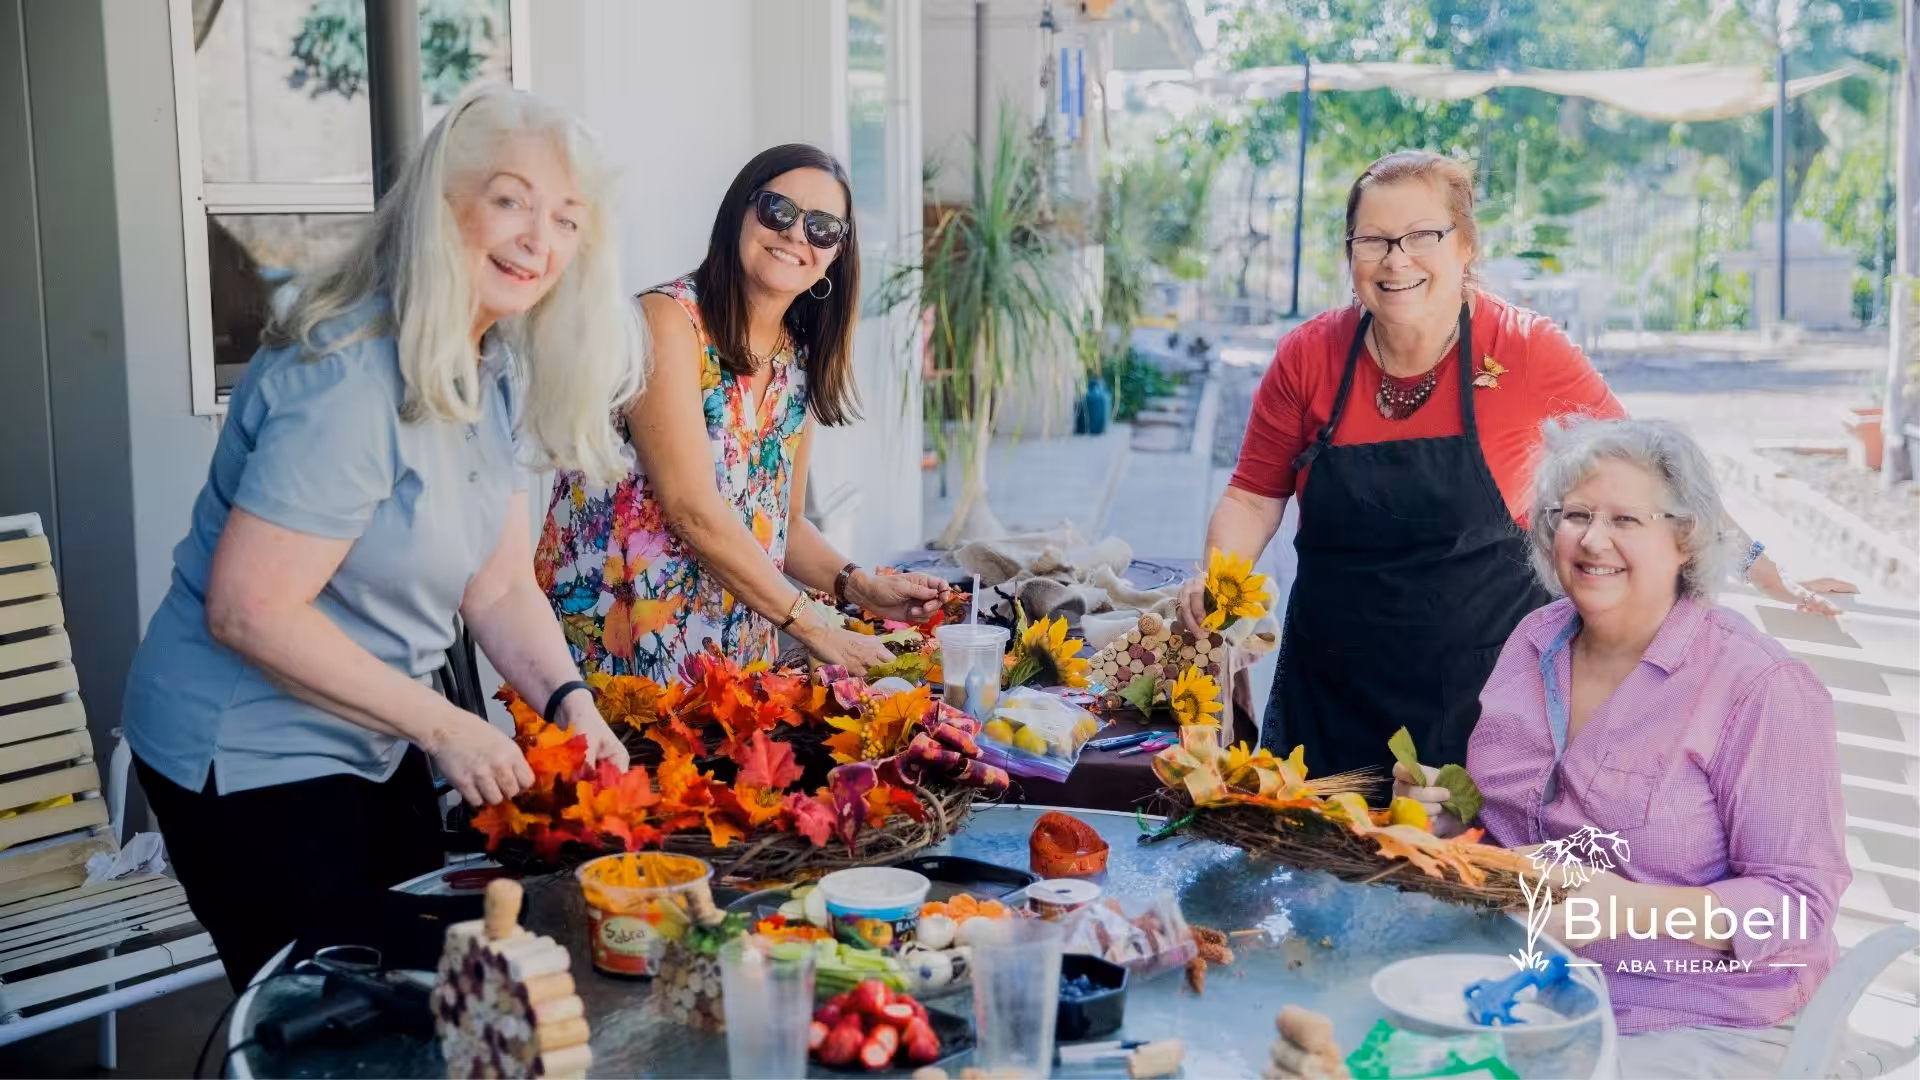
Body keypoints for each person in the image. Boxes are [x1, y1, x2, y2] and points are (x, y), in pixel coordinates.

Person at [121, 88, 642, 988]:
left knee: (435, 985)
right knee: (334, 1013)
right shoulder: (351, 380)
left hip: (377, 730)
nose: (538, 239)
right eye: (511, 199)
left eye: (566, 218)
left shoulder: (486, 366)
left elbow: (500, 587)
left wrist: (571, 703)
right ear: (443, 205)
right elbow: (250, 611)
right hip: (246, 750)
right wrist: (445, 725)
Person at [1179, 150, 1852, 783]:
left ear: (1466, 246)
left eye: (1422, 236)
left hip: (1483, 705)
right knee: (1318, 891)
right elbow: (1252, 498)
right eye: (1373, 240)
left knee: (1463, 893)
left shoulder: (1525, 350)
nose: (1396, 260)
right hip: (1329, 692)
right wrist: (1222, 586)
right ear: (1351, 252)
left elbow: (1656, 474)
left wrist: (1768, 571)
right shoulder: (1309, 355)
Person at [1395, 418, 1850, 1076]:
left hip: (1694, 1016)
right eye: (1575, 514)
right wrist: (1445, 817)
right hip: (1521, 985)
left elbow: (1801, 912)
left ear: (1685, 537)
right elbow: (1508, 830)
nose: (1591, 539)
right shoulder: (1534, 640)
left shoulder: (1759, 685)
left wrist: (1630, 907)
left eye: (1625, 520)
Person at [538, 144, 943, 681]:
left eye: (823, 228)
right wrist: (816, 628)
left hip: (732, 668)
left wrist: (858, 586)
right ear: (740, 214)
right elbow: (693, 511)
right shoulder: (666, 320)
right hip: (620, 657)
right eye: (778, 210)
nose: (798, 234)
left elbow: (785, 528)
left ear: (837, 254)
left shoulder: (798, 355)